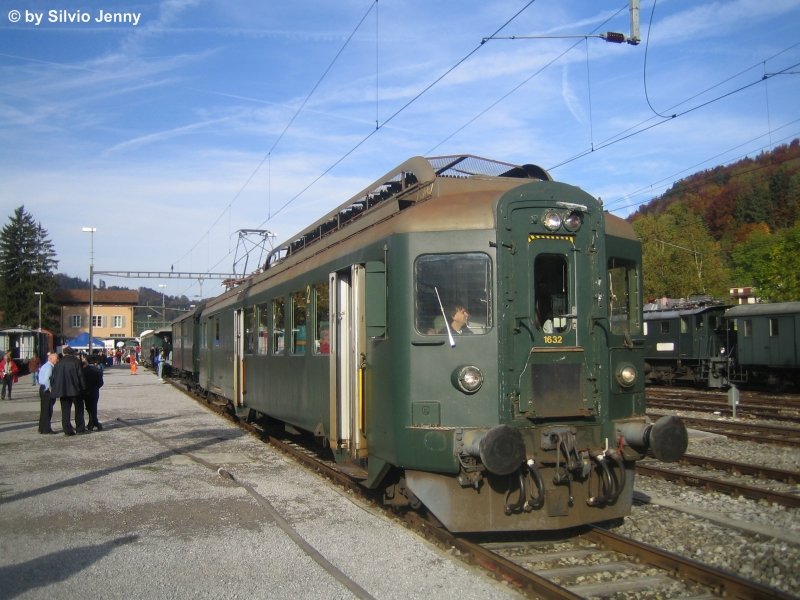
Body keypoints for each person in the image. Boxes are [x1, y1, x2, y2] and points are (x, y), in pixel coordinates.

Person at [50, 347, 86, 436]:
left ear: (64, 353)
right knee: (79, 409)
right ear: (72, 353)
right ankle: (80, 428)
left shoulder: (58, 363)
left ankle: (67, 430)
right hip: (75, 390)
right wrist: (84, 388)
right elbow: (81, 376)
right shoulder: (76, 362)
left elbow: (53, 378)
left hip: (63, 390)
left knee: (65, 411)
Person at [82, 355, 104, 431]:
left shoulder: (83, 370)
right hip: (95, 391)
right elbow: (101, 383)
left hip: (86, 391)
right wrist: (96, 387)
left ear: (87, 361)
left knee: (89, 408)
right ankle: (94, 423)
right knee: (93, 407)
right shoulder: (98, 370)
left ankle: (92, 423)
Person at [37, 352, 58, 434]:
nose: (57, 361)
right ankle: (46, 429)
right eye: (56, 359)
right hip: (46, 390)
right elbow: (47, 379)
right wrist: (49, 389)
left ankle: (42, 428)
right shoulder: (49, 367)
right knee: (47, 410)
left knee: (44, 409)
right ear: (51, 359)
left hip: (42, 388)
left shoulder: (45, 365)